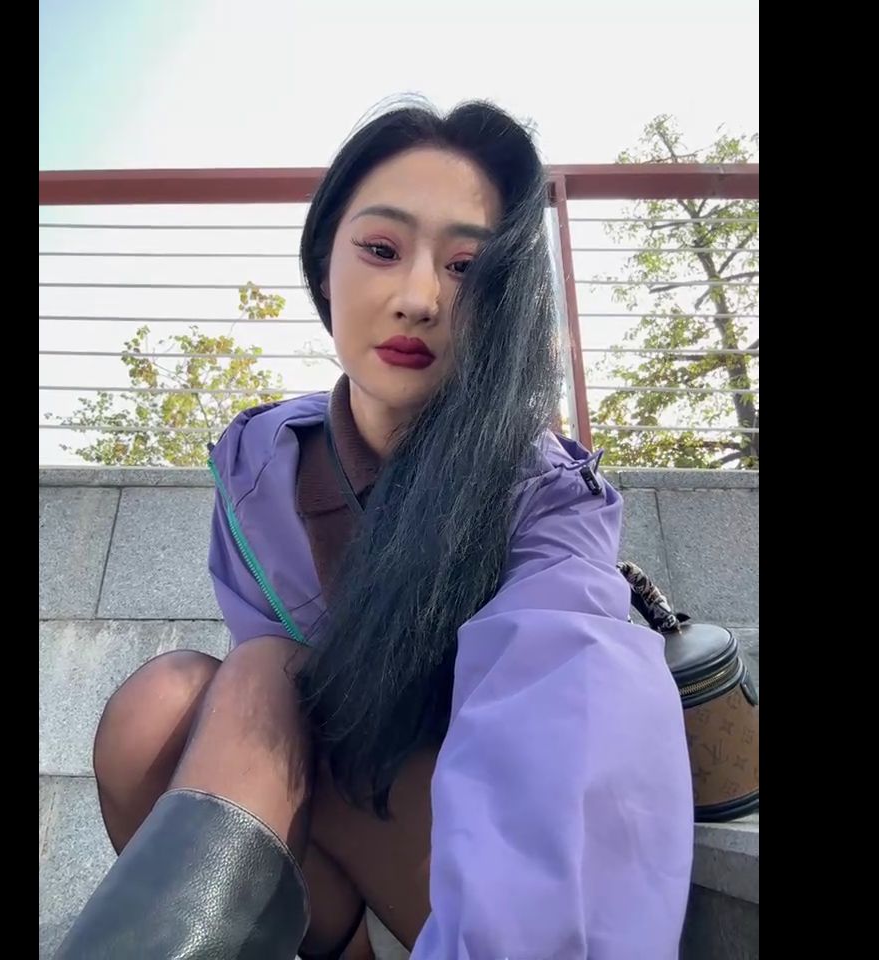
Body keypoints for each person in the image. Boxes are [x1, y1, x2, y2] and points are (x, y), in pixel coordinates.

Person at [55, 98, 694, 960]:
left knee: (269, 672)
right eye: (382, 250)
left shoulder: (546, 496)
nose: (419, 298)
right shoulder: (259, 462)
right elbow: (272, 719)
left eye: (465, 267)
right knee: (168, 705)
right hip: (329, 878)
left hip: (467, 869)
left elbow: (557, 728)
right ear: (326, 264)